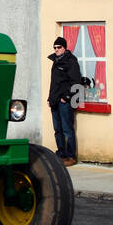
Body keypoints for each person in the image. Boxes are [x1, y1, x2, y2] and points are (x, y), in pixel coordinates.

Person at [48, 36, 85, 167]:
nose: (56, 50)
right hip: (54, 101)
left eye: (59, 47)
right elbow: (54, 83)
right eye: (55, 47)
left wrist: (66, 97)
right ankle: (61, 154)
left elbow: (76, 82)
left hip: (64, 102)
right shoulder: (55, 61)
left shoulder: (71, 61)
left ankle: (70, 156)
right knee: (57, 130)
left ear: (64, 48)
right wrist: (50, 98)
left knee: (67, 129)